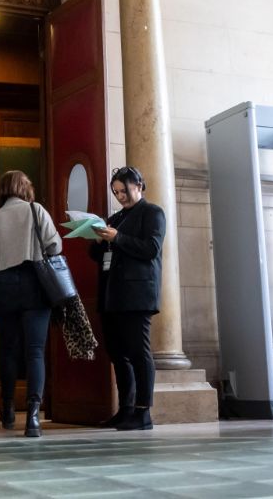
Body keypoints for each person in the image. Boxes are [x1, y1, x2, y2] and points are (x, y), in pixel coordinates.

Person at [0, 171, 62, 438]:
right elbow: (55, 246)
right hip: (36, 284)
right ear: (26, 188)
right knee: (35, 351)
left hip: (5, 286)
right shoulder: (37, 211)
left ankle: (8, 408)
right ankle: (33, 416)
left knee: (8, 350)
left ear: (1, 190)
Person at [90, 166, 165, 431]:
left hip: (137, 294)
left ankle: (144, 412)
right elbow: (98, 256)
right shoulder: (116, 217)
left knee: (138, 352)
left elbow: (151, 248)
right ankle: (126, 409)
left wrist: (118, 237)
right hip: (112, 293)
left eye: (124, 190)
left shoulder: (152, 212)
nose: (120, 196)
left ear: (139, 185)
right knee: (117, 353)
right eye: (116, 192)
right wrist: (98, 241)